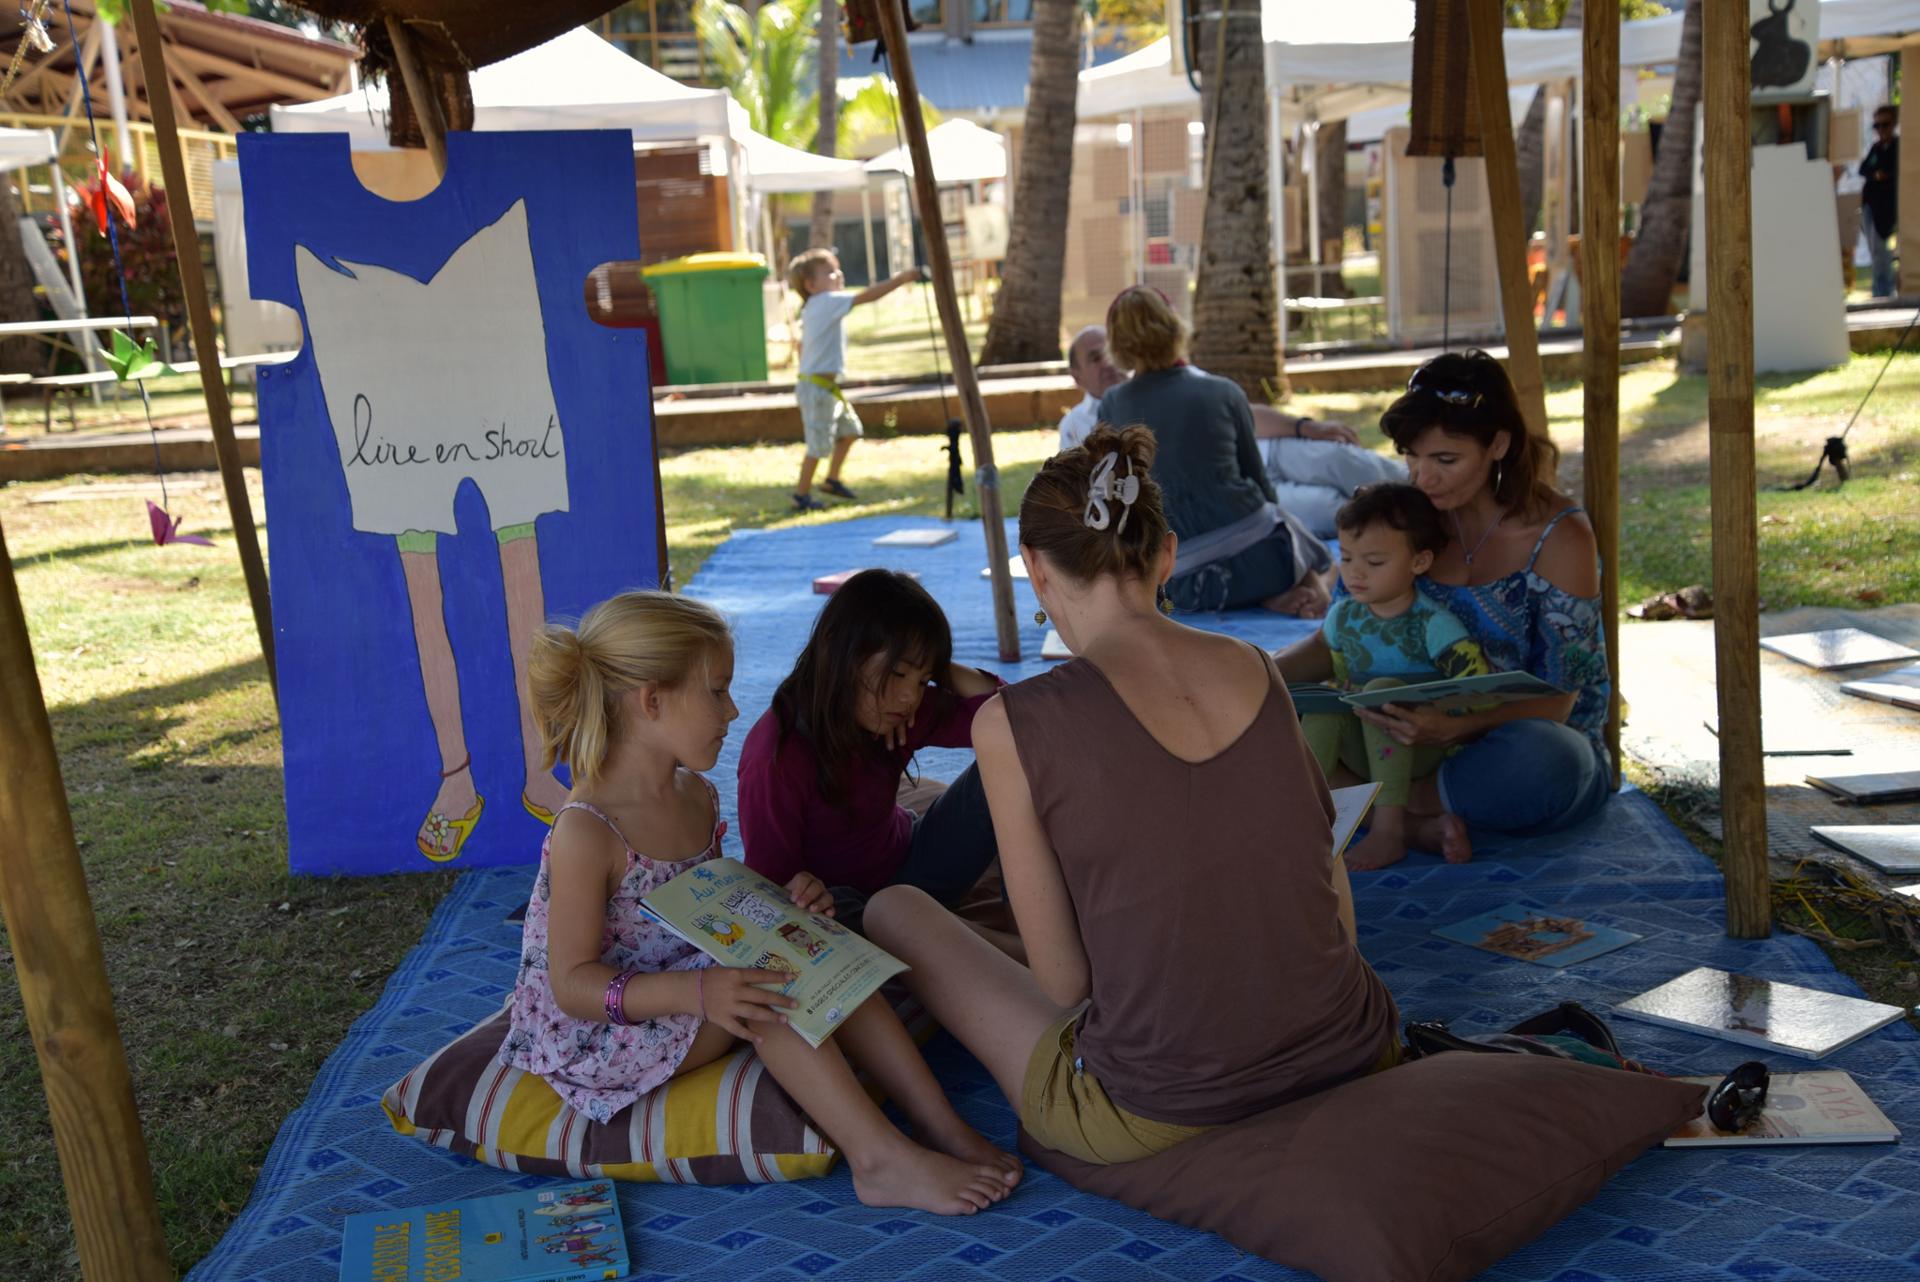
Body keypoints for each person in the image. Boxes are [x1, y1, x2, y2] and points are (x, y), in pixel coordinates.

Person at [863, 427, 1400, 1166]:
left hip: (1159, 1106)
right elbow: (1336, 911)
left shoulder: (1013, 723)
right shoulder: (1256, 666)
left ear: (1035, 572)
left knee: (894, 908)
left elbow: (1064, 984)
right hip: (1357, 1045)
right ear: (1168, 554)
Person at [497, 591, 1020, 1213]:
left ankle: (941, 1124)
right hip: (606, 1028)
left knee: (822, 951)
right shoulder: (587, 829)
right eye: (716, 692)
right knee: (771, 995)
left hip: (686, 973)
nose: (734, 708)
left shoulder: (695, 794)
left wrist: (784, 903)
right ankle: (879, 1161)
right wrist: (701, 994)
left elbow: (710, 903)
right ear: (652, 700)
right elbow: (573, 986)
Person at [1277, 350, 1613, 846]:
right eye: (1412, 456)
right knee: (1286, 715)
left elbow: (1559, 703)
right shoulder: (1399, 517)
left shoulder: (1559, 537)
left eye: (1445, 460)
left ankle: (1370, 806)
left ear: (1498, 444)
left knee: (1545, 760)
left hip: (1510, 744)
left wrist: (1453, 728)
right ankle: (1411, 823)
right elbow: (1342, 636)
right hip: (1391, 735)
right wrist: (1260, 676)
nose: (1421, 477)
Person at [737, 570, 1004, 926]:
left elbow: (1006, 718)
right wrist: (808, 895)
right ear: (837, 650)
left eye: (923, 681)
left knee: (1007, 762)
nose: (910, 696)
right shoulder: (776, 758)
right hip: (845, 909)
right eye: (897, 673)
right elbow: (772, 885)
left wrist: (935, 665)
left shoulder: (897, 711)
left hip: (914, 866)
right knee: (831, 909)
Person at [1095, 286, 1334, 617]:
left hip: (1175, 583)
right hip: (1265, 559)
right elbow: (1259, 483)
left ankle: (1256, 595)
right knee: (1298, 536)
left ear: (1116, 344)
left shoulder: (1112, 404)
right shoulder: (1223, 391)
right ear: (1174, 327)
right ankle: (1293, 588)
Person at [1060, 323, 1405, 539]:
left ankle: (1430, 494)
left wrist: (1306, 427)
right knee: (1330, 508)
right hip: (1231, 492)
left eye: (1108, 352)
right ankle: (1409, 524)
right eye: (1094, 358)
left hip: (1267, 449)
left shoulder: (1172, 375)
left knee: (1344, 460)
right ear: (1075, 376)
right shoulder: (1077, 428)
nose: (1107, 362)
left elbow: (1238, 411)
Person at [1301, 484, 1489, 871]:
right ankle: (1301, 823)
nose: (1355, 573)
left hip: (1420, 748)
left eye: (1373, 562)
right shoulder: (1342, 617)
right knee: (1322, 703)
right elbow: (1342, 674)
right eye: (1347, 557)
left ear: (1419, 562)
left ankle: (1388, 833)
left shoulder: (1434, 625)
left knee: (1382, 692)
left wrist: (1445, 722)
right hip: (1363, 748)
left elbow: (1478, 693)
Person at [788, 249, 925, 512]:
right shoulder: (826, 301)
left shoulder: (815, 307)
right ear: (811, 285)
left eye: (837, 269)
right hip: (816, 389)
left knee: (850, 431)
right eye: (830, 272)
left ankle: (832, 480)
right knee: (817, 445)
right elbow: (867, 296)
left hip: (825, 387)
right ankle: (801, 495)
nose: (838, 274)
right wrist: (901, 279)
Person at [1861, 105, 1900, 299]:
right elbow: (1864, 169)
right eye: (1877, 126)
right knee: (1873, 248)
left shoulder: (1898, 147)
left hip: (1886, 206)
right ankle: (1880, 287)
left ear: (1894, 124)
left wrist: (1881, 175)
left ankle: (1885, 289)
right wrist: (1876, 174)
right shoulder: (1875, 148)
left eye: (1885, 125)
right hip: (1870, 204)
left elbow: (1892, 171)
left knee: (1881, 247)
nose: (1881, 130)